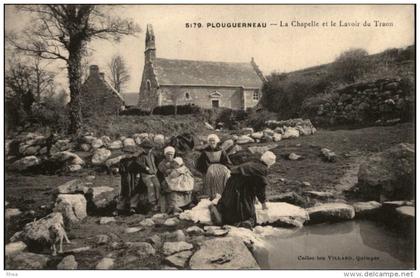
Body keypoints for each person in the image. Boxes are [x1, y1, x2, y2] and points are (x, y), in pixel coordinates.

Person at [214, 151, 276, 229]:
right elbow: (260, 188)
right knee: (245, 209)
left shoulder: (254, 163)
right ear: (270, 163)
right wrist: (263, 204)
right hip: (240, 187)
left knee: (230, 203)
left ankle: (226, 217)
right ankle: (242, 222)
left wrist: (255, 198)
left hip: (232, 184)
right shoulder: (262, 169)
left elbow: (252, 182)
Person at [196, 134, 232, 200]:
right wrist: (205, 170)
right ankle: (211, 195)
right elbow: (201, 163)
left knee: (226, 174)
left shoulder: (221, 150)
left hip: (221, 167)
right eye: (210, 141)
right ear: (208, 142)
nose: (212, 142)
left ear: (216, 141)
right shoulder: (205, 151)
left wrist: (228, 168)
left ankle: (223, 195)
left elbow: (226, 161)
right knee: (210, 174)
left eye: (213, 141)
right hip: (210, 167)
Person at [113, 146, 144, 216]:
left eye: (130, 153)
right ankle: (119, 208)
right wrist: (117, 170)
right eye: (126, 153)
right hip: (125, 179)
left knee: (134, 192)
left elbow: (139, 168)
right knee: (123, 192)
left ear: (132, 153)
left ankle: (133, 207)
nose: (128, 154)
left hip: (133, 178)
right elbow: (120, 169)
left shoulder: (135, 160)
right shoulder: (122, 161)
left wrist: (138, 176)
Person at [137, 141, 160, 212]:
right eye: (146, 148)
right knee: (150, 185)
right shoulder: (141, 156)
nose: (148, 150)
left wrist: (155, 169)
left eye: (149, 148)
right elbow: (139, 163)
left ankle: (158, 201)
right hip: (146, 175)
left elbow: (156, 162)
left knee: (157, 185)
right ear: (143, 148)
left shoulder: (152, 155)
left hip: (153, 174)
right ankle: (152, 202)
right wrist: (146, 168)